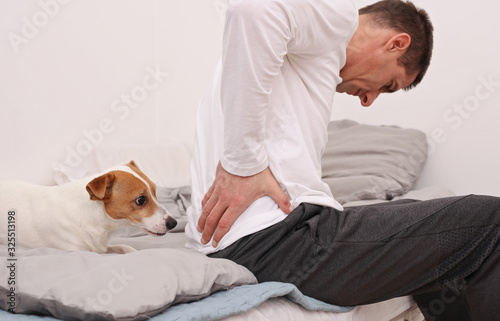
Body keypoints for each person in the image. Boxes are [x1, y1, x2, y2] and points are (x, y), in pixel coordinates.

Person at [185, 0, 500, 320]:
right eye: (388, 85)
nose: (368, 100)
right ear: (396, 43)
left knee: (434, 221)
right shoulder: (340, 19)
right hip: (279, 241)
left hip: (263, 241)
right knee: (493, 221)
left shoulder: (293, 56)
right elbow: (253, 10)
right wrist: (245, 164)